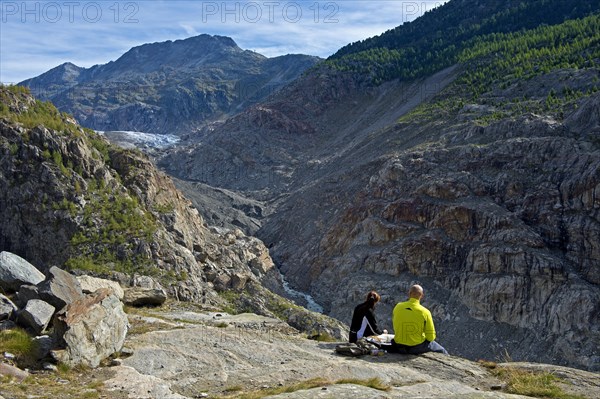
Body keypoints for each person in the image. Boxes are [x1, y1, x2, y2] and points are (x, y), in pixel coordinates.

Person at [390, 284, 448, 355]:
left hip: (398, 345)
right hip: (415, 347)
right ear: (422, 296)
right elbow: (431, 337)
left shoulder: (398, 306)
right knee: (443, 351)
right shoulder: (425, 312)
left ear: (409, 293)